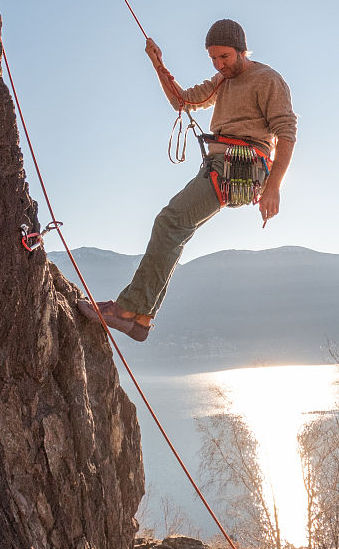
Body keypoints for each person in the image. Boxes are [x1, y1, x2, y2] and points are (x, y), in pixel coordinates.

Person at [78, 18, 297, 341]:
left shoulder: (267, 79)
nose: (219, 64)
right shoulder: (221, 81)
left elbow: (287, 132)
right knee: (175, 229)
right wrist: (158, 64)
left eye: (224, 57)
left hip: (239, 166)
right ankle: (141, 318)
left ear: (241, 50)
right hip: (217, 165)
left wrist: (274, 186)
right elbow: (183, 101)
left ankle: (129, 311)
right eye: (213, 59)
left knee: (170, 223)